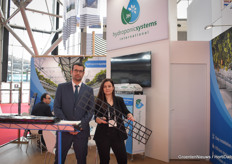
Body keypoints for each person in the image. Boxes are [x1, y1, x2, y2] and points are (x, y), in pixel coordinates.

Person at [53, 62, 94, 164]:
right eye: (76, 70)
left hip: (81, 131)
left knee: (81, 159)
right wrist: (68, 126)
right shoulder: (61, 88)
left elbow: (90, 110)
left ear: (83, 73)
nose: (78, 73)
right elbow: (57, 108)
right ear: (71, 72)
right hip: (64, 131)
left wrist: (79, 126)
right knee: (59, 159)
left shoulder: (89, 90)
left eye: (80, 71)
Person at [94, 78, 135, 164]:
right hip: (103, 135)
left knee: (122, 159)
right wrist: (98, 119)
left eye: (109, 86)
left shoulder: (119, 100)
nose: (107, 88)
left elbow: (125, 111)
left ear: (113, 88)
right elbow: (96, 117)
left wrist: (129, 115)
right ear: (102, 89)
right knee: (104, 160)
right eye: (105, 87)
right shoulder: (98, 101)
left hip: (118, 134)